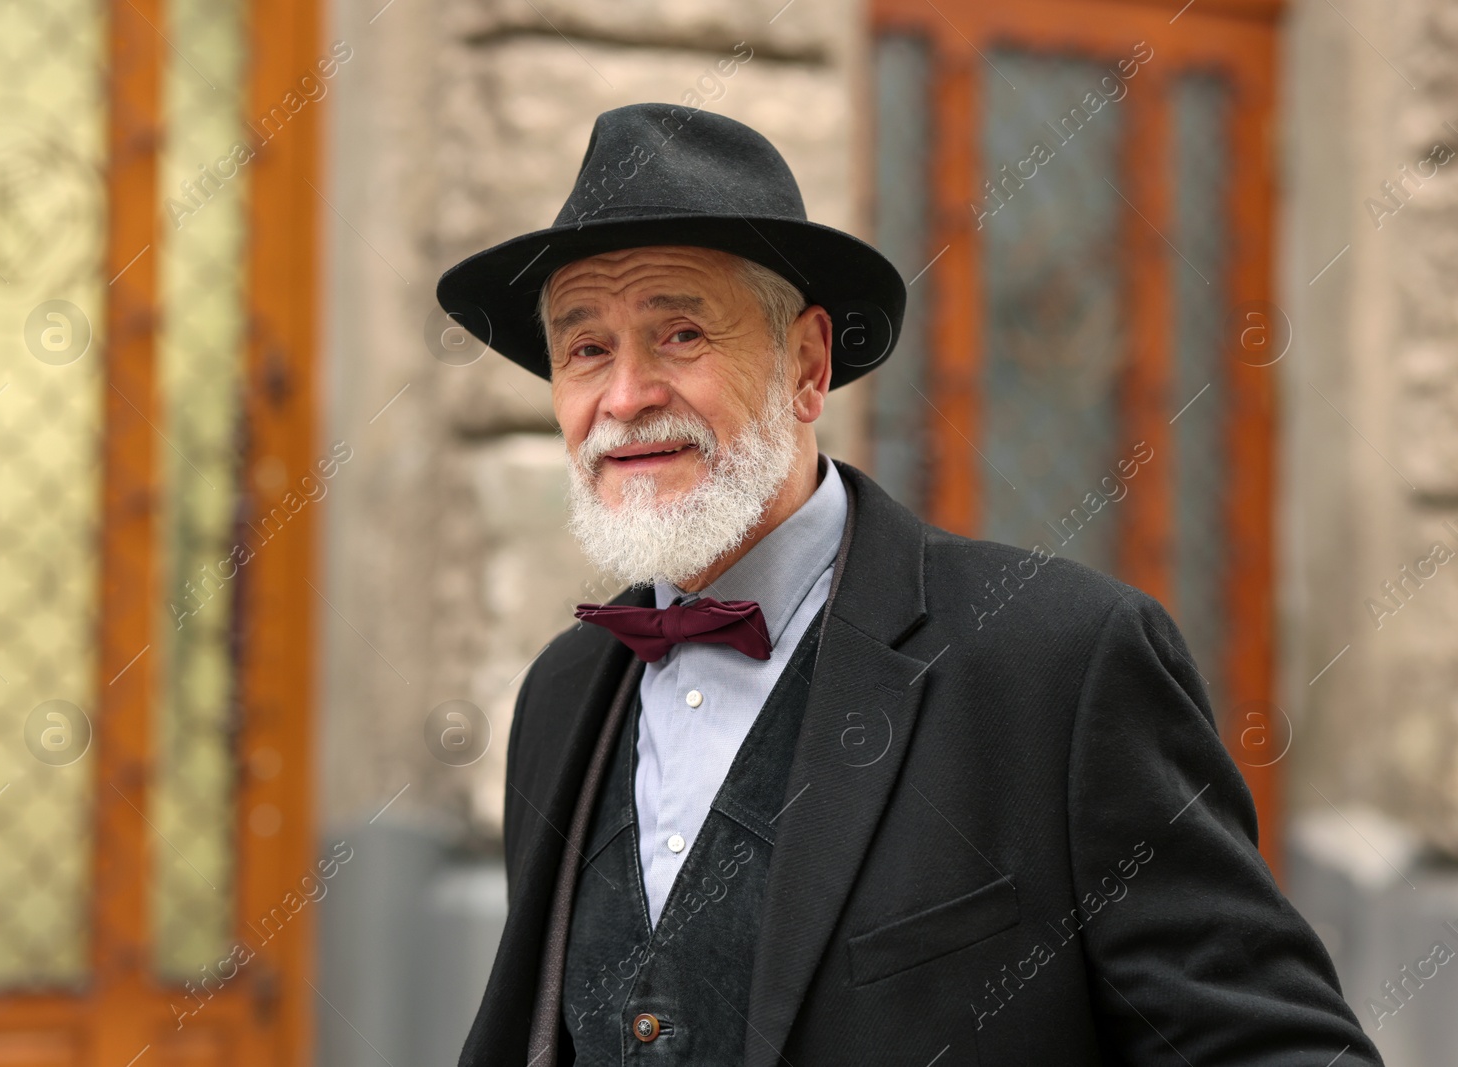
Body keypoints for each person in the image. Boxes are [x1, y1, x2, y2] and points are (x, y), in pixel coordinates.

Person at [437, 102, 1381, 1067]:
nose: (626, 397)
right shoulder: (561, 695)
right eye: (586, 348)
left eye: (680, 334)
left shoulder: (1062, 662)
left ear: (806, 366)